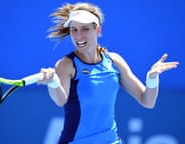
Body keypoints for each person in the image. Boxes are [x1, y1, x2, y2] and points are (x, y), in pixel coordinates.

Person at [38, 2, 179, 144]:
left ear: (98, 30)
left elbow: (147, 101)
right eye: (74, 29)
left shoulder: (114, 61)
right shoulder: (66, 65)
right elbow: (60, 100)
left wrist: (152, 78)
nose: (78, 36)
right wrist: (53, 82)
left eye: (85, 29)